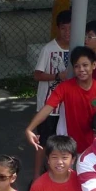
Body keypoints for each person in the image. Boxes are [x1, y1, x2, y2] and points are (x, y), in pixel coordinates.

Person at [26, 46, 96, 159]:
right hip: (68, 145)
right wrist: (29, 129)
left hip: (92, 146)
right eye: (77, 66)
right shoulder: (65, 87)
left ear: (94, 65)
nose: (81, 69)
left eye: (85, 65)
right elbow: (48, 108)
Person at [32, 9, 72, 180]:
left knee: (64, 143)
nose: (67, 32)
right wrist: (57, 76)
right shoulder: (48, 49)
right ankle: (36, 177)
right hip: (49, 106)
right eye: (64, 28)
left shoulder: (77, 48)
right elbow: (37, 75)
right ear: (58, 28)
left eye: (71, 28)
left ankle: (58, 175)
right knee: (44, 142)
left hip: (67, 106)